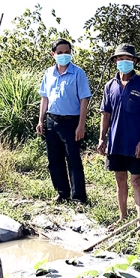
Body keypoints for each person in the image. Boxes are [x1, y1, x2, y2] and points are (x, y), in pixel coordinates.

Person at [97, 44, 140, 220]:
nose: (124, 62)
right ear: (115, 61)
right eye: (120, 59)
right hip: (115, 142)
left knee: (136, 181)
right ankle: (123, 217)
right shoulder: (110, 86)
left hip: (135, 142)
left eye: (128, 59)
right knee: (120, 180)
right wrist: (101, 138)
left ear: (134, 61)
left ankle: (139, 220)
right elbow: (105, 114)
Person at [36, 38, 91, 204]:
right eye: (60, 53)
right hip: (52, 121)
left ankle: (79, 197)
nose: (63, 55)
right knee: (54, 160)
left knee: (73, 159)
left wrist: (81, 125)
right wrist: (41, 120)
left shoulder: (78, 73)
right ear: (53, 54)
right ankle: (62, 193)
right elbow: (44, 98)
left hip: (70, 122)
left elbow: (84, 100)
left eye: (67, 52)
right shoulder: (49, 73)